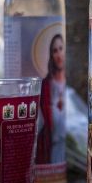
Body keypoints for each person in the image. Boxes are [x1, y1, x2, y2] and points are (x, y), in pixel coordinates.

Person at [37, 34, 66, 165]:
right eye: (55, 51)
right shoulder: (46, 85)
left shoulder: (67, 82)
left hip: (65, 148)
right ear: (51, 55)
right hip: (51, 148)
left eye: (61, 48)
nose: (59, 54)